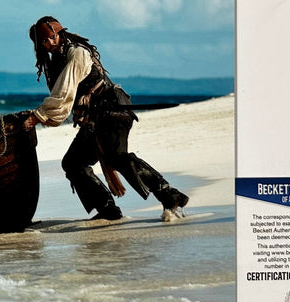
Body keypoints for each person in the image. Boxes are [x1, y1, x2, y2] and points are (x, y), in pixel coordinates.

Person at [21, 16, 189, 222]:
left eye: (53, 37)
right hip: (95, 119)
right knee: (73, 163)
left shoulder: (77, 53)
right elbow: (65, 95)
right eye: (45, 41)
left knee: (117, 157)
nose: (50, 43)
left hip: (113, 110)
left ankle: (172, 198)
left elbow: (62, 95)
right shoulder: (56, 61)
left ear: (60, 33)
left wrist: (37, 117)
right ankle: (107, 209)